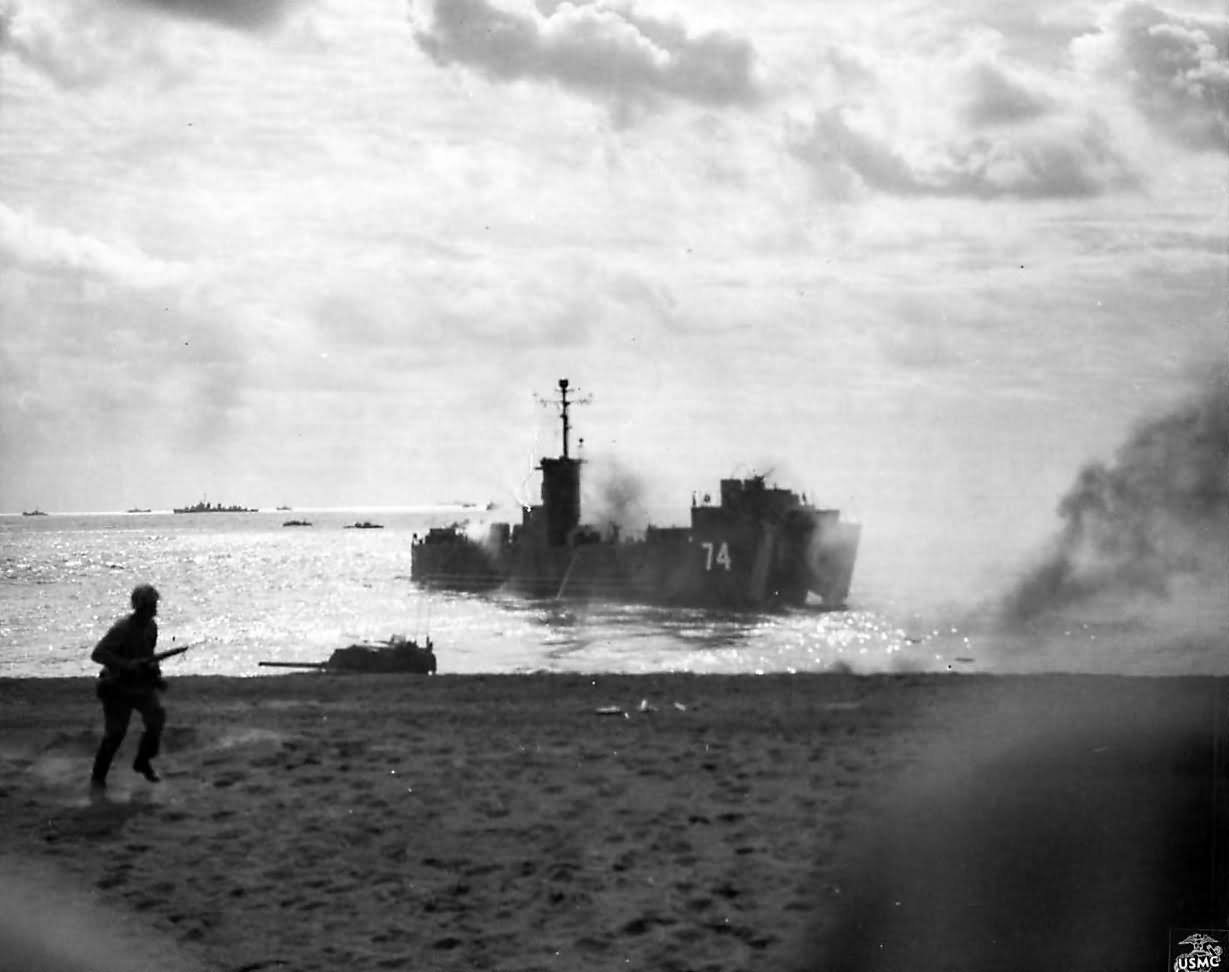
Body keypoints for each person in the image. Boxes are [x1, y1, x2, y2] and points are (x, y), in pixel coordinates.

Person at [89, 583, 167, 790]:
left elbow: (149, 656)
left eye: (154, 605)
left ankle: (142, 761)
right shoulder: (122, 629)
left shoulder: (151, 627)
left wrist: (156, 677)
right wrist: (126, 665)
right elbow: (98, 654)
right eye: (150, 605)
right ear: (140, 607)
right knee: (115, 734)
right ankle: (98, 778)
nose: (154, 609)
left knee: (156, 719)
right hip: (116, 687)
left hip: (140, 686)